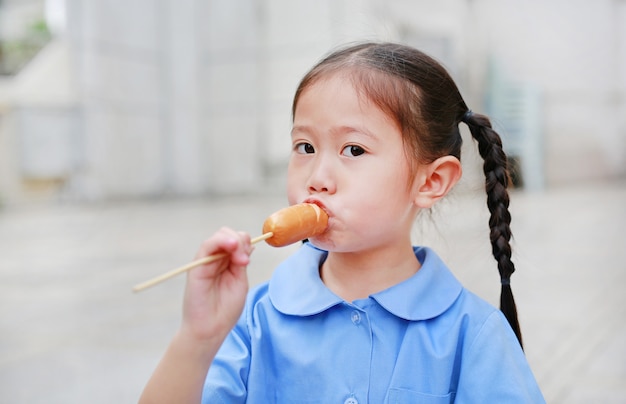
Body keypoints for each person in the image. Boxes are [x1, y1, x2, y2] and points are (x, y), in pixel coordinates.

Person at [139, 42, 545, 403]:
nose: (317, 177)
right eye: (305, 146)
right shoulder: (255, 318)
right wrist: (197, 340)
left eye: (353, 149)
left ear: (431, 181)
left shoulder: (472, 334)